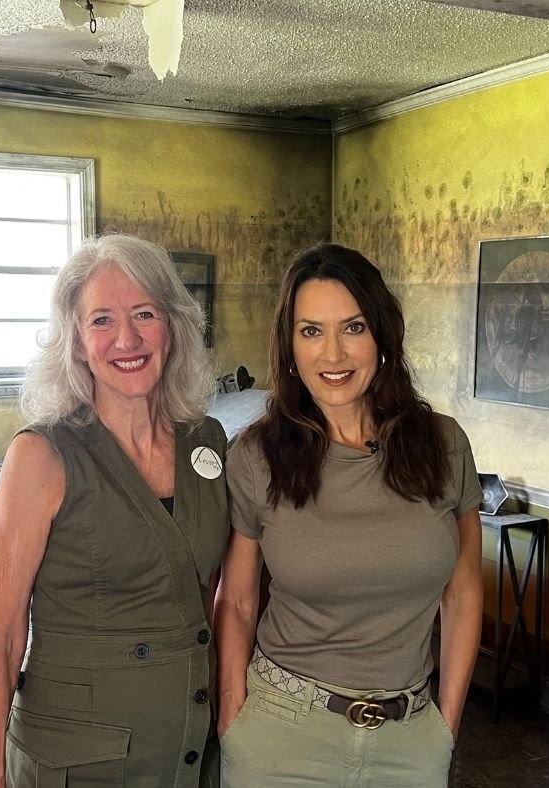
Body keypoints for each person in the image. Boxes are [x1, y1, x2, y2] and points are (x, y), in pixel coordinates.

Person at [214, 243, 483, 787]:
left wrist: (445, 727)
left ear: (381, 336)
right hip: (278, 736)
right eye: (311, 331)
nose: (333, 354)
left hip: (410, 741)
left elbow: (463, 595)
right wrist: (231, 719)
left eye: (353, 327)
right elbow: (238, 602)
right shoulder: (254, 456)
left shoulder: (443, 446)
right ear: (289, 347)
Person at [0, 234, 229, 788]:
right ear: (76, 341)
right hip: (76, 763)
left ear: (173, 325)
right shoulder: (41, 456)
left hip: (186, 748)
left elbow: (208, 594)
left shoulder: (207, 441)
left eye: (144, 314)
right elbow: (3, 630)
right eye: (102, 321)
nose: (127, 339)